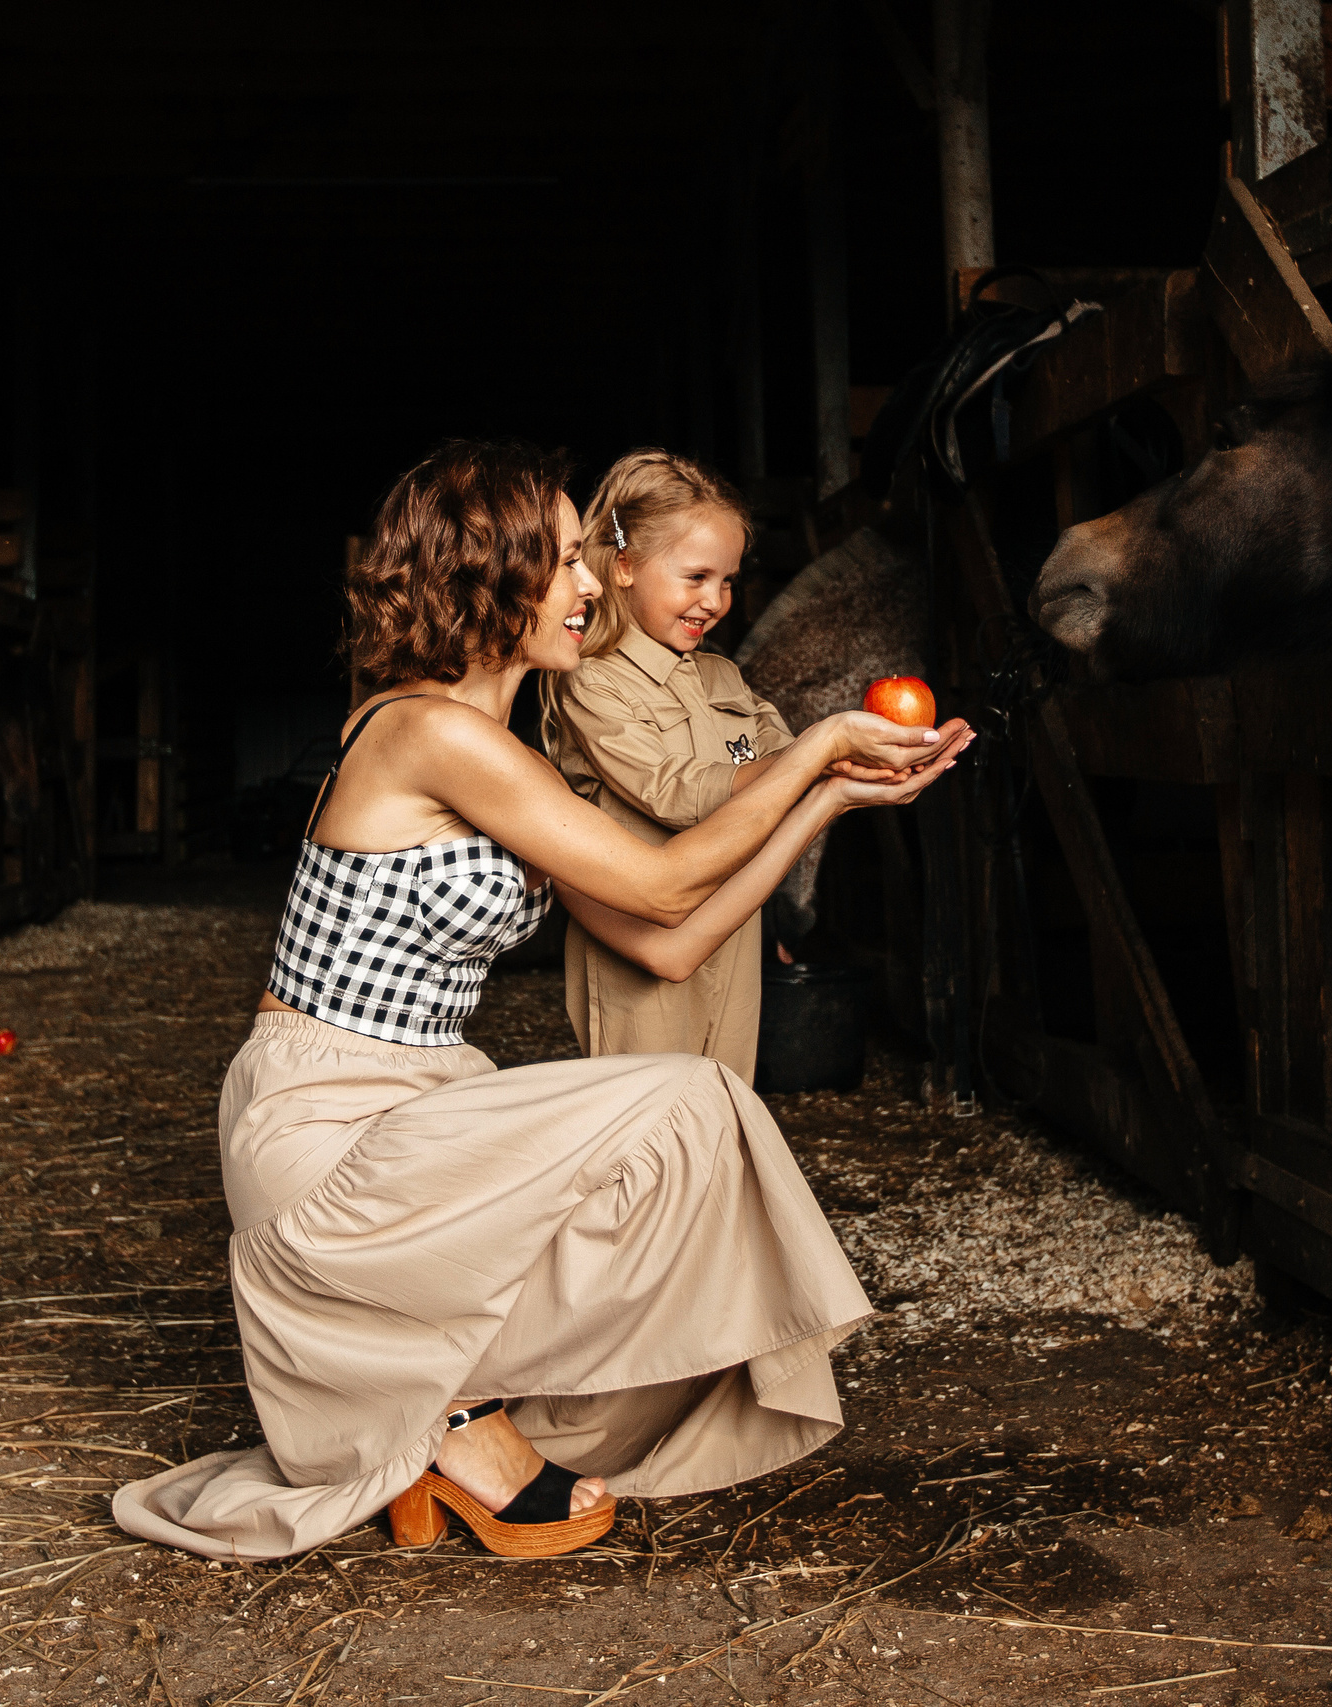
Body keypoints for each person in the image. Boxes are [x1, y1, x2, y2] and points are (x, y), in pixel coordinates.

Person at [110, 440, 971, 1563]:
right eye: (567, 559)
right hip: (322, 1120)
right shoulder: (425, 731)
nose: (591, 582)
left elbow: (672, 940)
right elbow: (666, 877)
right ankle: (448, 1427)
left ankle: (447, 1423)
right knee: (682, 1107)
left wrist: (829, 802)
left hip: (420, 1099)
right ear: (491, 577)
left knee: (691, 1120)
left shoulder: (511, 762)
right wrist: (812, 748)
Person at [540, 449, 838, 1081]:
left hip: (732, 927)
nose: (716, 600)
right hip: (641, 940)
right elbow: (674, 792)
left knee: (722, 1104)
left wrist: (834, 763)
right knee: (644, 1125)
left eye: (728, 580)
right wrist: (816, 756)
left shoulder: (722, 674)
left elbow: (780, 756)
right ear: (623, 567)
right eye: (696, 577)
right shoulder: (594, 683)